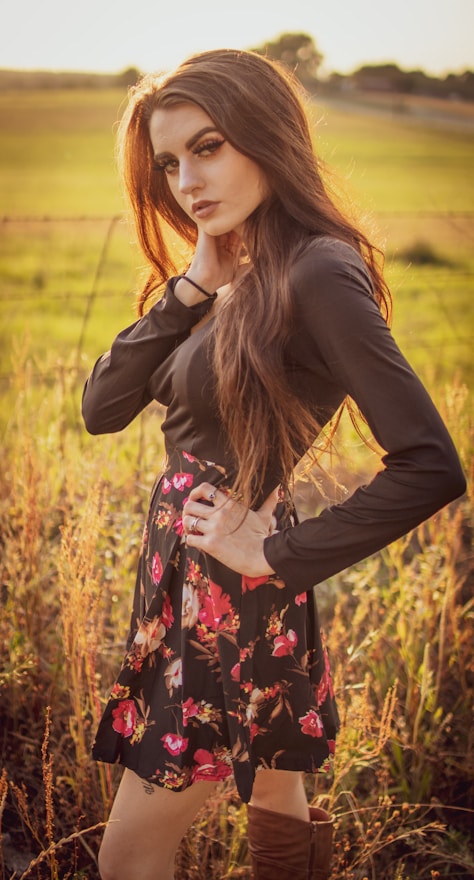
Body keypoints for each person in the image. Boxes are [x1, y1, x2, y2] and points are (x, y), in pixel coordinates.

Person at [82, 49, 466, 880]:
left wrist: (276, 553)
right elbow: (101, 407)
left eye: (208, 147)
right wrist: (192, 285)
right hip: (206, 577)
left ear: (267, 136)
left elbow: (431, 463)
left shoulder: (317, 270)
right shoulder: (233, 275)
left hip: (231, 589)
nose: (187, 181)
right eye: (169, 163)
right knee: (278, 802)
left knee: (130, 852)